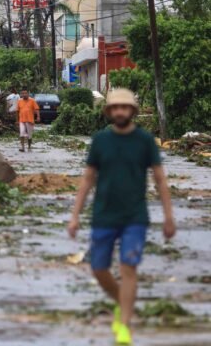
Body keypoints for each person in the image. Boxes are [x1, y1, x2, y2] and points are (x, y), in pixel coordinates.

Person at [68, 89, 176, 345]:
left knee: (129, 267)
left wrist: (169, 217)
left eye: (124, 108)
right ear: (108, 112)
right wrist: (75, 216)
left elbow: (160, 179)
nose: (119, 111)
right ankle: (122, 301)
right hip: (103, 215)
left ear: (132, 111)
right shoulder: (100, 141)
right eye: (114, 108)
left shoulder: (145, 140)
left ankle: (124, 325)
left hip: (134, 217)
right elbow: (87, 180)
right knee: (98, 269)